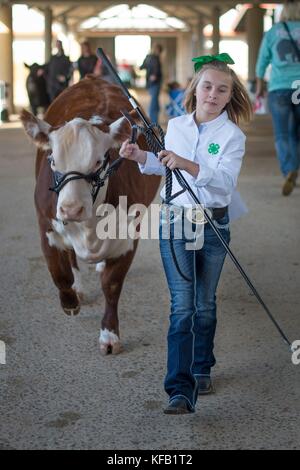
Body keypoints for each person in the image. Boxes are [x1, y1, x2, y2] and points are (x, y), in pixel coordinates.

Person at [119, 53, 252, 414]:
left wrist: (189, 163)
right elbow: (164, 169)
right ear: (194, 89)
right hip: (175, 222)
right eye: (207, 86)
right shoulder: (175, 125)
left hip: (213, 224)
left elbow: (224, 184)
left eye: (221, 89)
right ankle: (179, 389)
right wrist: (140, 157)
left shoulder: (232, 136)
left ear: (229, 96)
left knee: (205, 305)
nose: (213, 94)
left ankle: (201, 365)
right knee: (183, 306)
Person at [256, 0, 300, 196]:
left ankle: (288, 169)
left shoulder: (274, 31)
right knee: (296, 134)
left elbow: (262, 60)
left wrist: (259, 86)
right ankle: (295, 166)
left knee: (281, 134)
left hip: (279, 87)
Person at [140, 43, 163, 123]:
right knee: (154, 103)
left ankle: (154, 120)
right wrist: (154, 75)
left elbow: (142, 67)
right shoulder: (155, 58)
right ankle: (153, 121)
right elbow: (156, 70)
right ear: (158, 50)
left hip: (150, 84)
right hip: (155, 83)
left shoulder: (148, 57)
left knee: (155, 102)